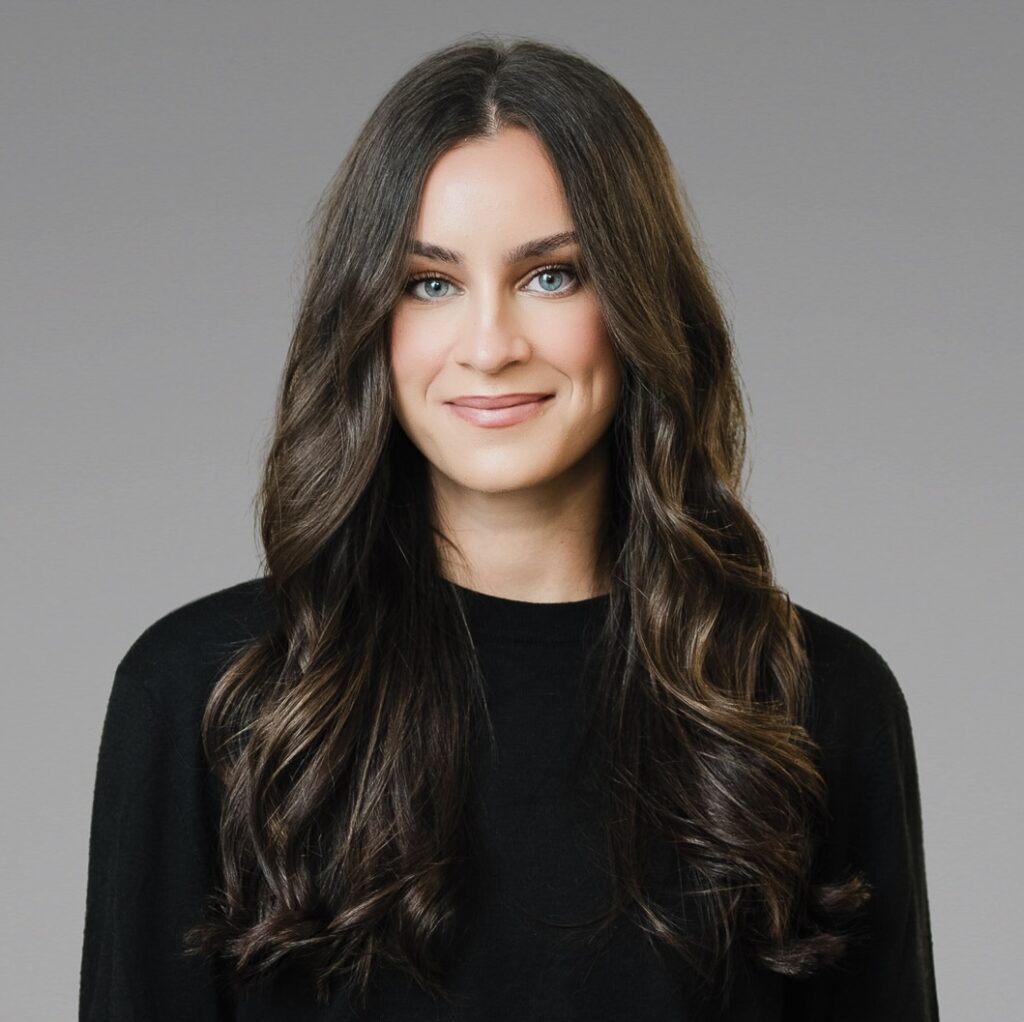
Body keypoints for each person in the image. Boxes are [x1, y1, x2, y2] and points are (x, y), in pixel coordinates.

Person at [79, 34, 939, 1021]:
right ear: (369, 318)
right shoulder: (211, 697)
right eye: (430, 283)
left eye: (551, 274)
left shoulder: (811, 704)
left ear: (636, 303)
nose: (489, 346)